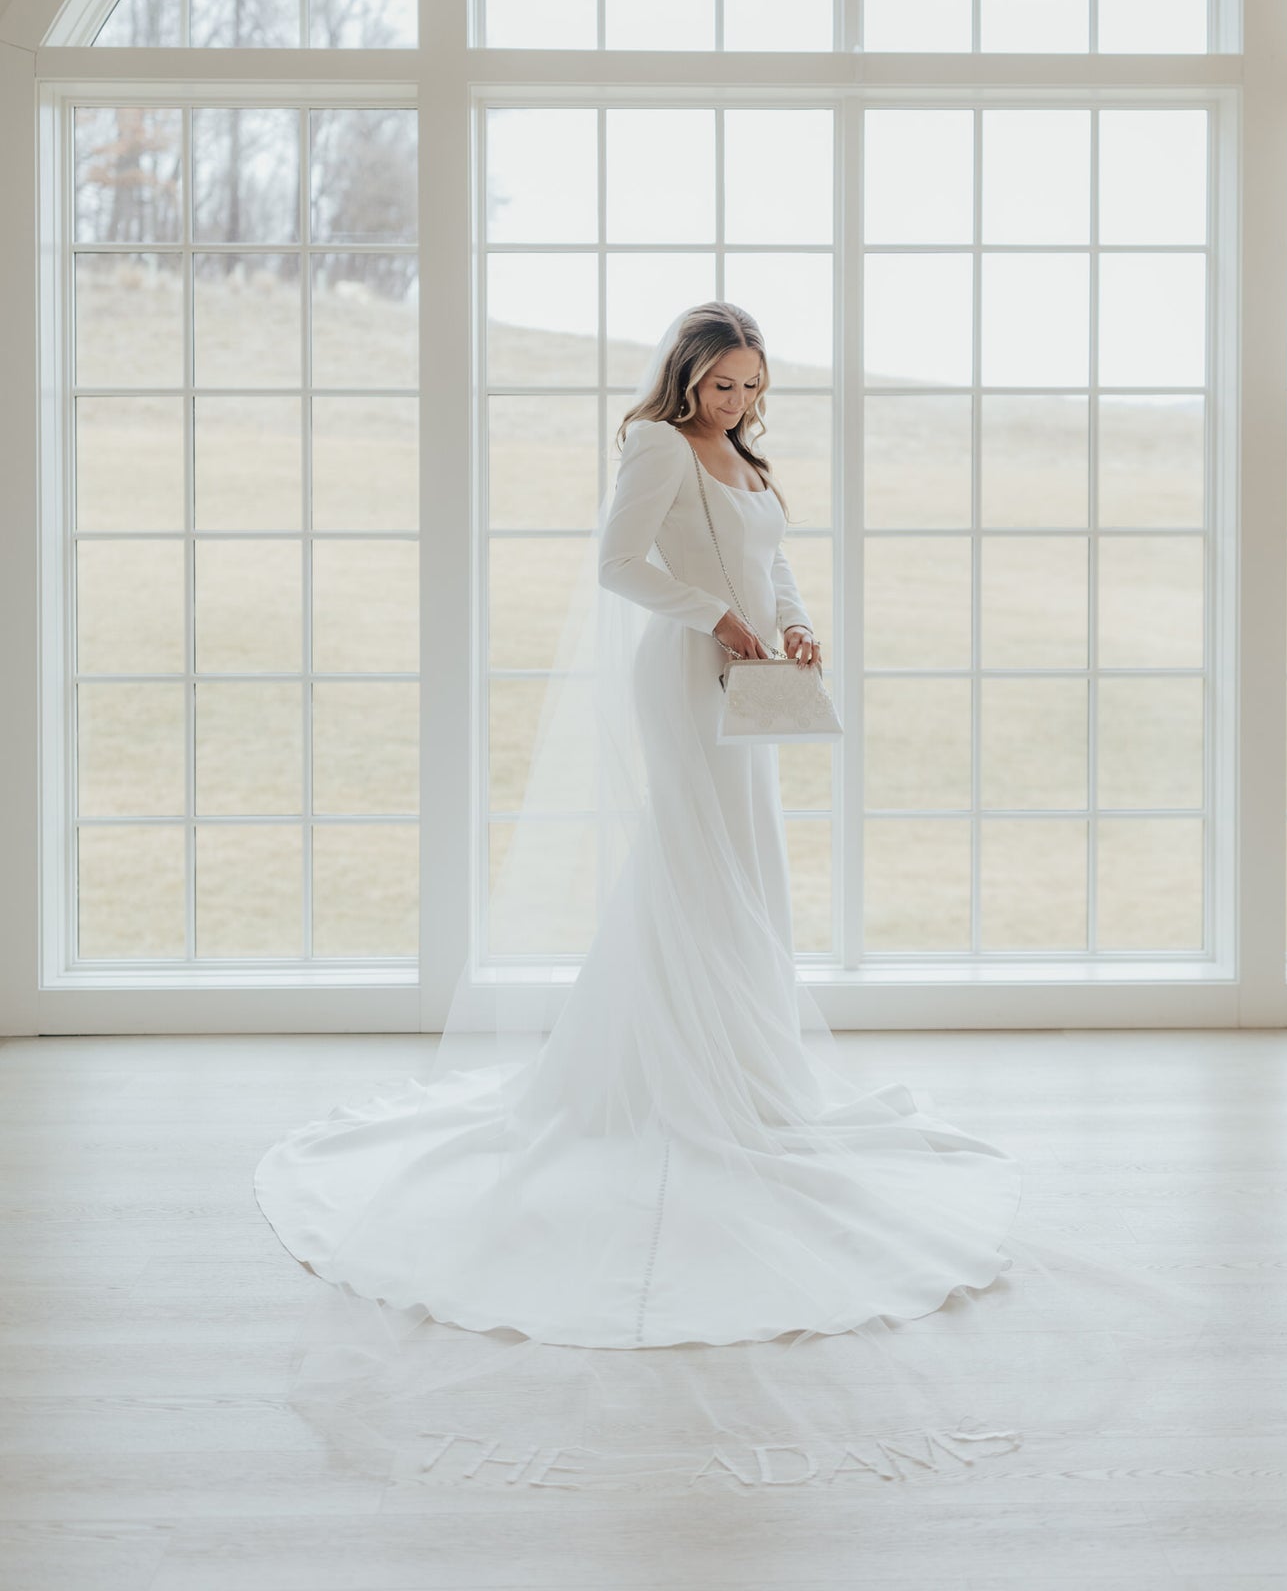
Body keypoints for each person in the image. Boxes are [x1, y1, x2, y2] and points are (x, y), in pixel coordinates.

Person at [252, 300, 1030, 1478]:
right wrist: (713, 615)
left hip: (749, 674)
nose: (735, 403)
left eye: (750, 386)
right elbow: (620, 565)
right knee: (688, 857)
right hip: (682, 675)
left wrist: (796, 624)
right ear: (684, 378)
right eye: (719, 385)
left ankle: (739, 1061)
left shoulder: (747, 458)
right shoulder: (656, 445)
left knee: (744, 865)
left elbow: (773, 565)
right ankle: (666, 1073)